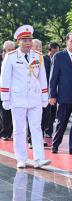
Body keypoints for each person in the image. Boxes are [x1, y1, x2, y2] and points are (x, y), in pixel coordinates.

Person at [0, 25, 51, 168]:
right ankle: (21, 158)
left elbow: (42, 78)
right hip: (18, 98)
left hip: (34, 98)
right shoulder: (10, 57)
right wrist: (5, 98)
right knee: (19, 129)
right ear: (18, 41)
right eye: (25, 40)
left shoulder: (38, 56)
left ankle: (39, 158)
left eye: (30, 40)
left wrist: (44, 96)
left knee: (36, 127)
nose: (28, 43)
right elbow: (5, 79)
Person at [49, 32, 72, 156]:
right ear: (67, 42)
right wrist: (52, 95)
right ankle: (55, 145)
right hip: (64, 96)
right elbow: (53, 78)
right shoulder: (59, 56)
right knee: (61, 122)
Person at [27, 39, 48, 149]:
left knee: (43, 118)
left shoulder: (43, 59)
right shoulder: (28, 59)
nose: (39, 48)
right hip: (31, 94)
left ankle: (41, 138)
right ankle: (31, 140)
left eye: (40, 46)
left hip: (42, 94)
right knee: (32, 120)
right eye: (36, 46)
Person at [43, 42, 60, 138]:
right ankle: (45, 129)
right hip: (46, 90)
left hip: (55, 90)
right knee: (46, 112)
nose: (57, 53)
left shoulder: (58, 59)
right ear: (50, 50)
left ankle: (49, 131)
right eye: (55, 51)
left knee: (53, 111)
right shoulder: (44, 59)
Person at [0, 41, 15, 141]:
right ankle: (5, 132)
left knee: (9, 113)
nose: (10, 52)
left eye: (12, 50)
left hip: (12, 91)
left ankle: (7, 133)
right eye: (8, 50)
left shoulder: (17, 59)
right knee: (3, 113)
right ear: (4, 50)